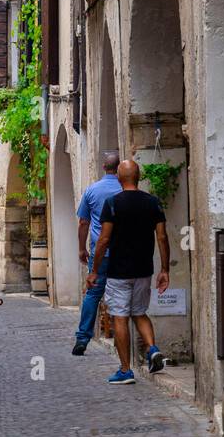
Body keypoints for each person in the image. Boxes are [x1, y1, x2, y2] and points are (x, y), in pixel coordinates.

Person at [87, 159, 170, 384]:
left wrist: (94, 271)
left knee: (120, 317)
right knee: (140, 312)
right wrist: (164, 269)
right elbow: (162, 237)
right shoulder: (153, 202)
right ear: (138, 176)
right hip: (144, 270)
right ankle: (152, 349)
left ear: (119, 178)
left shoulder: (112, 204)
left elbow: (103, 240)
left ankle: (125, 370)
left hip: (118, 271)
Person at [71, 151, 123, 355]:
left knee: (93, 294)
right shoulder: (124, 189)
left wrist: (81, 248)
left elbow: (84, 222)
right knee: (123, 294)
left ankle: (82, 338)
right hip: (123, 252)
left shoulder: (92, 190)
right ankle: (124, 339)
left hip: (99, 253)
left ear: (103, 167)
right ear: (119, 168)